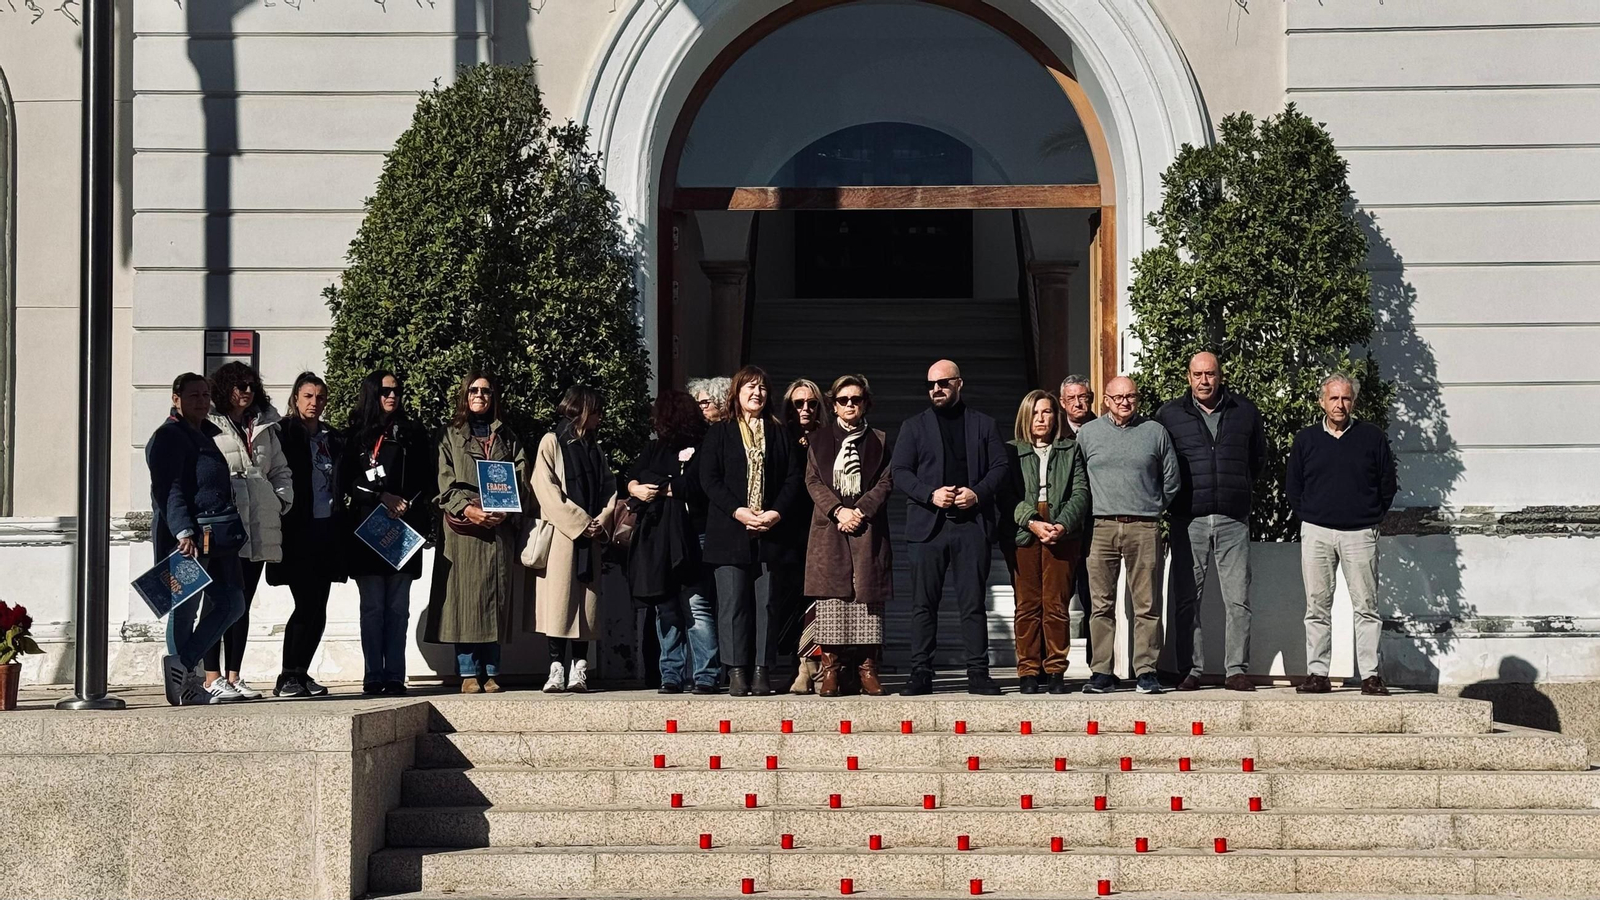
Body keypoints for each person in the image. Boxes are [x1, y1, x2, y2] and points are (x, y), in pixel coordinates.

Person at [891, 359, 1009, 696]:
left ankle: (978, 673)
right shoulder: (913, 427)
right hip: (928, 529)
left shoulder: (983, 424)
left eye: (943, 383)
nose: (936, 390)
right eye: (931, 385)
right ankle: (921, 673)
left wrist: (977, 493)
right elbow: (900, 471)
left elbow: (1001, 466)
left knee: (972, 603)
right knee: (922, 605)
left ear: (959, 383)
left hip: (971, 526)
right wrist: (930, 494)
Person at [1155, 352, 1266, 692]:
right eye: (1198, 374)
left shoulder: (1244, 411)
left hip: (1233, 517)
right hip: (1189, 519)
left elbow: (1257, 460)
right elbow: (1158, 462)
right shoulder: (1169, 415)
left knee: (1238, 600)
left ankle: (1236, 670)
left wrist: (1240, 491)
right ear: (1188, 377)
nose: (1204, 381)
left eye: (1210, 374)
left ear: (1220, 376)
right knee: (1187, 598)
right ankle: (1190, 669)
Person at [1288, 372, 1398, 696]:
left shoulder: (1371, 437)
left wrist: (1370, 516)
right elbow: (1293, 486)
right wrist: (1309, 515)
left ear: (1354, 402)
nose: (1340, 404)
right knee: (1317, 606)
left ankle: (1370, 676)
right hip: (1317, 532)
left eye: (1346, 398)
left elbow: (1387, 484)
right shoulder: (1306, 439)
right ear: (1322, 401)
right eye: (1333, 398)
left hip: (1360, 533)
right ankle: (1318, 674)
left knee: (1366, 606)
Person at [699, 365, 804, 696]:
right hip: (731, 532)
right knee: (733, 604)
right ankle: (737, 671)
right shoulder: (720, 432)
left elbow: (793, 478)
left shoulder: (778, 432)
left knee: (767, 603)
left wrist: (774, 513)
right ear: (737, 394)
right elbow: (710, 479)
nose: (756, 393)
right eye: (749, 387)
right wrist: (739, 511)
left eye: (762, 388)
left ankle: (762, 669)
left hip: (771, 532)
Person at [147, 373, 249, 706]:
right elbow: (168, 488)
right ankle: (183, 684)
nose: (202, 401)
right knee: (185, 610)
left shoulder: (205, 434)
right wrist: (182, 531)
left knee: (233, 602)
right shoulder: (168, 437)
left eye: (206, 395)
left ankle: (182, 665)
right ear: (175, 398)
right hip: (188, 539)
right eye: (193, 395)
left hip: (219, 538)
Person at [1076, 375, 1179, 695]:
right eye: (1117, 397)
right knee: (1100, 603)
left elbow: (1171, 479)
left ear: (1138, 400)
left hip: (1143, 526)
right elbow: (1077, 478)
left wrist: (1153, 507)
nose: (1124, 402)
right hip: (1100, 526)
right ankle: (1102, 671)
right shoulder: (1088, 434)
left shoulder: (1155, 432)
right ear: (1105, 400)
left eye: (1131, 397)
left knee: (1146, 603)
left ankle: (1146, 670)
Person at [429, 371, 528, 694]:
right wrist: (467, 508)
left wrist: (507, 508)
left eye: (486, 390)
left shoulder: (507, 436)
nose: (480, 395)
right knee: (465, 600)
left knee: (495, 599)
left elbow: (522, 478)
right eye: (474, 390)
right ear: (464, 395)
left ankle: (492, 670)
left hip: (499, 527)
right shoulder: (449, 435)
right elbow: (443, 482)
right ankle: (469, 672)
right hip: (464, 528)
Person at [200, 361, 293, 702]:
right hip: (225, 525)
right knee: (217, 602)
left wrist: (281, 500)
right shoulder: (210, 424)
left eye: (252, 385)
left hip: (260, 525)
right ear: (226, 389)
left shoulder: (266, 424)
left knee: (241, 603)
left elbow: (280, 468)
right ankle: (211, 677)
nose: (247, 391)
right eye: (240, 385)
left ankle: (234, 675)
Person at [344, 370, 435, 696]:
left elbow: (428, 478)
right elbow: (347, 482)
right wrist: (381, 497)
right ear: (372, 393)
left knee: (397, 608)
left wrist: (408, 504)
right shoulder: (356, 434)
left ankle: (395, 675)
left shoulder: (413, 431)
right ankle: (373, 674)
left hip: (404, 533)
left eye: (396, 390)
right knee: (372, 609)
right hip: (369, 533)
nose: (392, 396)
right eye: (384, 391)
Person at [803, 375, 894, 697]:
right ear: (834, 405)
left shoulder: (880, 440)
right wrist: (838, 511)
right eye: (843, 400)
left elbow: (885, 481)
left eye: (856, 399)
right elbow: (813, 481)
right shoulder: (818, 439)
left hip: (866, 529)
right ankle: (832, 670)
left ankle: (867, 668)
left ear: (865, 403)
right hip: (830, 530)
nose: (850, 405)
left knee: (867, 602)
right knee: (831, 602)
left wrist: (861, 511)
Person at [626, 389, 717, 694]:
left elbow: (695, 484)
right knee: (666, 606)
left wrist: (659, 485)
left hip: (694, 534)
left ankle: (706, 674)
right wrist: (636, 486)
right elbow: (634, 476)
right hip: (659, 538)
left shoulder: (705, 445)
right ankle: (671, 674)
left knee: (696, 605)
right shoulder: (655, 448)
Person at [532, 385, 619, 693]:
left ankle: (579, 669)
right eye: (595, 411)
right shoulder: (552, 441)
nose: (599, 418)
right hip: (562, 535)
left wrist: (602, 519)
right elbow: (545, 488)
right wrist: (582, 522)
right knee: (559, 602)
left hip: (590, 535)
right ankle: (555, 668)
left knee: (585, 605)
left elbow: (610, 487)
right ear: (582, 410)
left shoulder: (595, 447)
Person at [265, 372, 346, 697]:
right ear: (296, 398)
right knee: (306, 602)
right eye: (308, 396)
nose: (315, 403)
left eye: (320, 397)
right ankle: (287, 675)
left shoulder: (332, 437)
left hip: (327, 530)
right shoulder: (283, 433)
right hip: (298, 531)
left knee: (320, 606)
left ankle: (302, 671)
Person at [1004, 390, 1089, 694]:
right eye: (1035, 413)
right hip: (1024, 530)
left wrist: (1062, 524)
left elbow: (1081, 492)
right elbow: (1006, 495)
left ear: (1056, 417)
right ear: (1026, 417)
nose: (1041, 419)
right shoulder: (1011, 450)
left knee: (1056, 604)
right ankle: (1028, 669)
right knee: (1027, 604)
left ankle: (1055, 669)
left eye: (1047, 412)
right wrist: (1032, 521)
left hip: (1061, 529)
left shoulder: (1070, 449)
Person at [777, 378, 823, 694]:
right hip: (786, 531)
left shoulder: (828, 438)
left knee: (817, 602)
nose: (805, 408)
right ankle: (796, 665)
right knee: (788, 603)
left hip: (821, 529)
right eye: (798, 403)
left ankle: (810, 669)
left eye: (812, 403)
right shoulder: (778, 436)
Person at [1058, 374, 1097, 656]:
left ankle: (1098, 666)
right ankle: (1053, 665)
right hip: (1063, 527)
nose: (1077, 403)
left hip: (1096, 526)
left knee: (1095, 600)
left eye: (1082, 397)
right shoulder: (1053, 432)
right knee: (1058, 599)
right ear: (1062, 402)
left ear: (1091, 399)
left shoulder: (1104, 429)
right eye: (1071, 398)